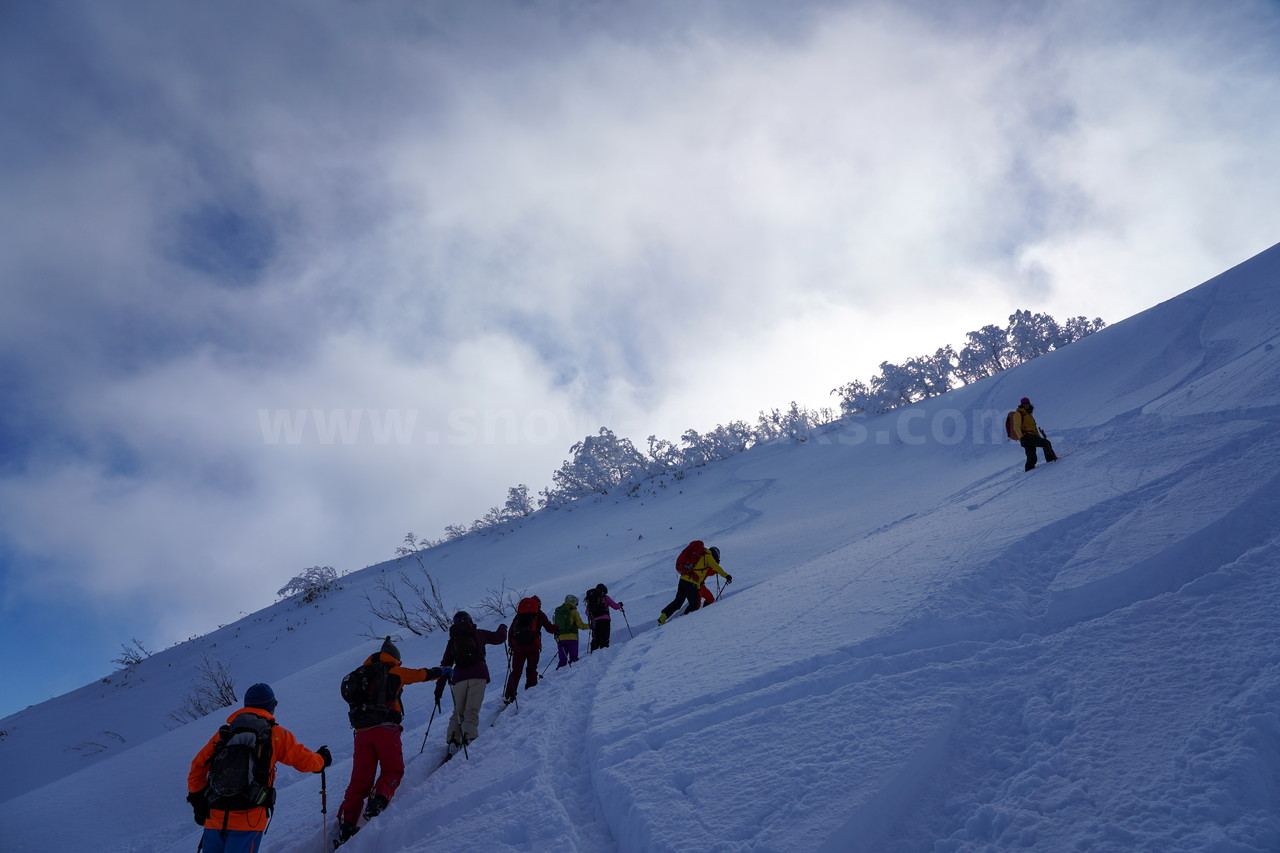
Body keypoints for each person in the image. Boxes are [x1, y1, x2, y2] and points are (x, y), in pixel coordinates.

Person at [187, 682, 331, 853]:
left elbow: (197, 766)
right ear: (271, 706)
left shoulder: (225, 733)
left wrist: (197, 801)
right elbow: (304, 761)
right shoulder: (275, 734)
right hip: (249, 819)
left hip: (215, 816)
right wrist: (322, 760)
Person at [336, 637, 446, 844]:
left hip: (361, 733)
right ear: (395, 658)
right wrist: (442, 671)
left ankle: (346, 824)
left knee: (360, 781)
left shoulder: (362, 674)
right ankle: (378, 801)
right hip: (386, 729)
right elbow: (421, 675)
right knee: (393, 770)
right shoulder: (394, 671)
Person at [433, 611, 506, 758]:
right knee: (471, 710)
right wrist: (503, 627)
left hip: (459, 678)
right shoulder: (478, 633)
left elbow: (445, 665)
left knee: (458, 712)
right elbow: (499, 638)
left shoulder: (453, 640)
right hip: (478, 675)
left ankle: (453, 742)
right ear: (470, 621)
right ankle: (470, 738)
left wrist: (439, 688)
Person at [658, 541, 731, 625]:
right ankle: (682, 621)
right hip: (691, 583)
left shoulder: (700, 555)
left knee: (678, 602)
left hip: (683, 579)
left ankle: (663, 617)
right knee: (695, 605)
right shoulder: (708, 557)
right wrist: (727, 576)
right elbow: (717, 568)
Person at [503, 595, 557, 703]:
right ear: (538, 605)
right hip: (533, 646)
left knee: (516, 671)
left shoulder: (519, 615)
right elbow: (549, 628)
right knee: (531, 669)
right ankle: (530, 692)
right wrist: (557, 628)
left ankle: (509, 694)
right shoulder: (539, 614)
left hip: (518, 647)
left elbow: (511, 631)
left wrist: (512, 644)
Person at [1011, 397, 1057, 471]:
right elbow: (1016, 427)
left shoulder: (1029, 414)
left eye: (1027, 404)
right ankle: (1051, 460)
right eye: (1024, 404)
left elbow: (1034, 427)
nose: (1026, 405)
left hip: (1031, 436)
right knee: (1046, 443)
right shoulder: (1019, 414)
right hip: (1026, 437)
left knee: (1032, 457)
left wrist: (1038, 437)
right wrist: (1021, 438)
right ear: (1021, 405)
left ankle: (1029, 470)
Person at [583, 583, 624, 651]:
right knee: (604, 637)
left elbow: (587, 613)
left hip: (595, 621)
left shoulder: (591, 599)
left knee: (596, 637)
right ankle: (604, 652)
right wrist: (620, 605)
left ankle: (593, 653)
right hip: (605, 620)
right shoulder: (604, 597)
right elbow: (615, 606)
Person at [552, 595, 589, 667]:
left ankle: (559, 675)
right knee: (574, 660)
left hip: (560, 638)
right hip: (572, 638)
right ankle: (573, 675)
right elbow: (580, 625)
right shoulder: (573, 611)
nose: (576, 605)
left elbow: (555, 624)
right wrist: (590, 626)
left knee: (562, 661)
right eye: (576, 603)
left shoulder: (558, 611)